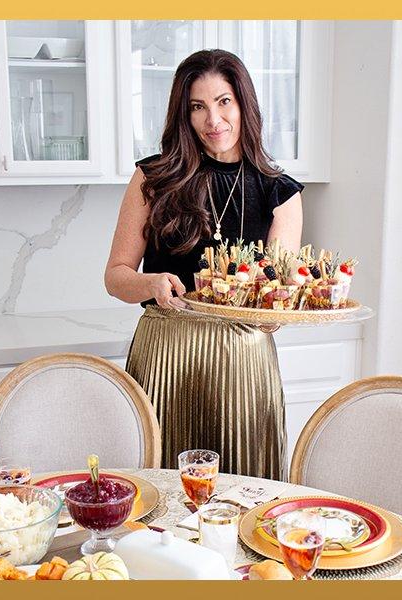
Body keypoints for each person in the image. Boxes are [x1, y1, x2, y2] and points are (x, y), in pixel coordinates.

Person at [104, 49, 303, 481]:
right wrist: (152, 283)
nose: (213, 120)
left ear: (243, 104)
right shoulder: (153, 179)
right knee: (159, 492)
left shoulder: (280, 193)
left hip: (242, 359)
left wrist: (274, 310)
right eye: (198, 106)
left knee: (244, 492)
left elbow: (276, 305)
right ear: (185, 113)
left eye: (224, 101)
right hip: (166, 352)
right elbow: (116, 277)